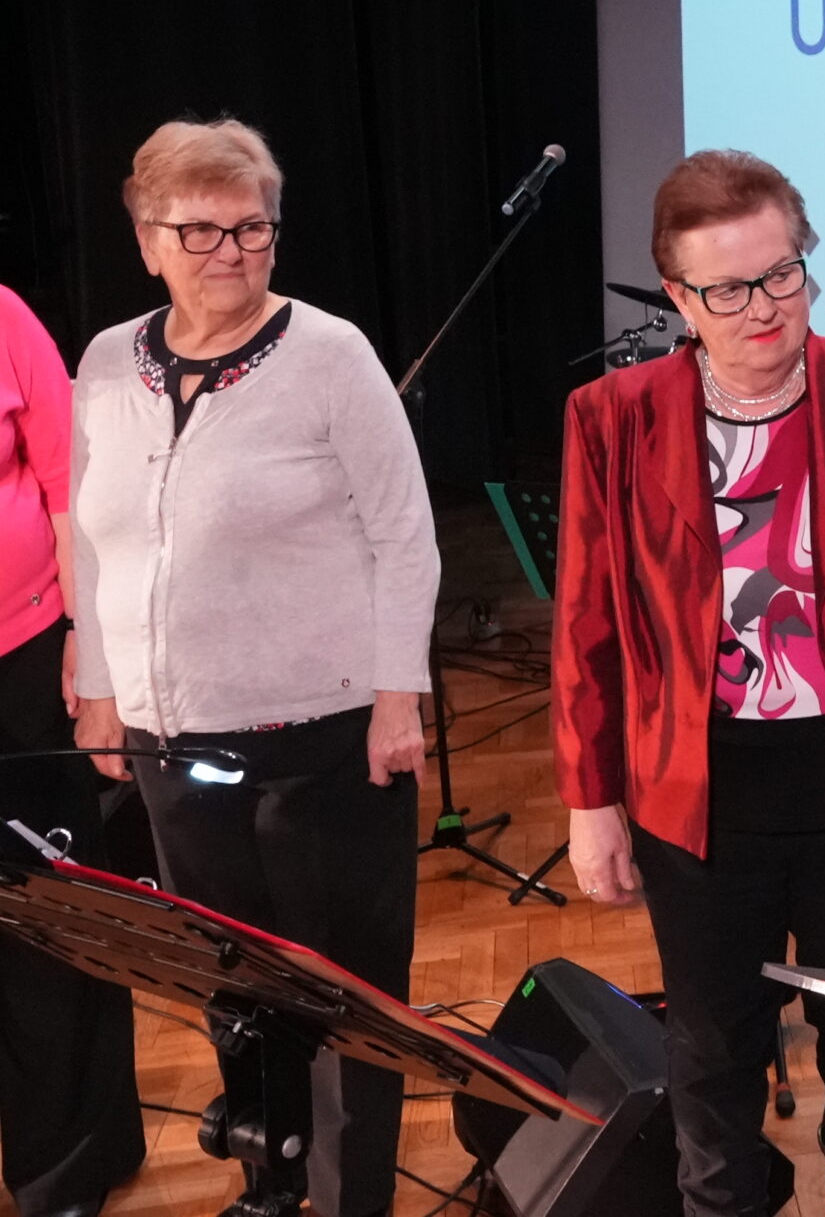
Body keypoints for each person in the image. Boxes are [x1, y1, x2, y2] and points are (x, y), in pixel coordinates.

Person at [554, 149, 825, 1217]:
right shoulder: (614, 415)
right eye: (728, 289)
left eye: (781, 274)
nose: (763, 308)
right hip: (698, 794)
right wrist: (590, 799)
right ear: (678, 296)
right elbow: (588, 623)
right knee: (712, 1049)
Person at [68, 118, 436, 1217]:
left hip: (323, 740)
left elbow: (405, 535)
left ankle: (351, 1200)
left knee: (343, 996)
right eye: (200, 230)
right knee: (231, 988)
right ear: (148, 241)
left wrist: (399, 698)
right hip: (173, 744)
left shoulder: (330, 354)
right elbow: (89, 537)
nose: (229, 251)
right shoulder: (106, 361)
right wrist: (101, 687)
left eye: (252, 228)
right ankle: (270, 1186)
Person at [0, 281, 144, 1217]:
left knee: (49, 914)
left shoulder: (3, 316)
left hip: (22, 655)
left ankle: (69, 1165)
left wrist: (88, 646)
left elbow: (71, 486)